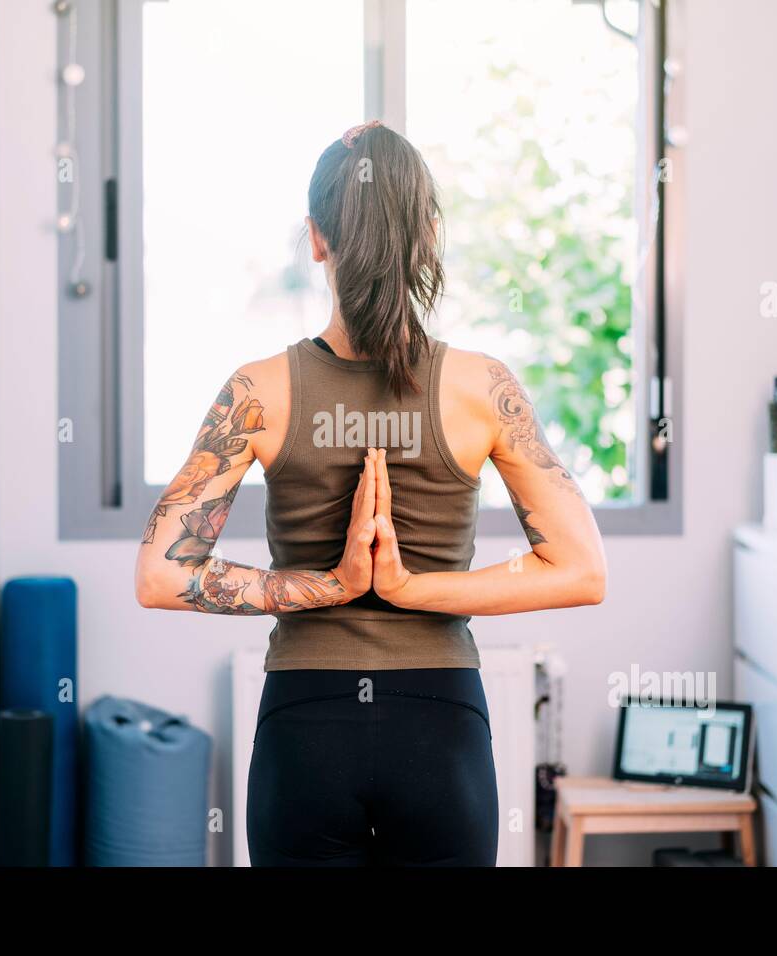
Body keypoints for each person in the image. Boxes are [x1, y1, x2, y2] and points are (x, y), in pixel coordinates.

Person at [135, 120, 607, 866]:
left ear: (317, 238)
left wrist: (326, 587)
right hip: (440, 727)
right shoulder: (482, 388)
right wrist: (416, 590)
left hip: (307, 727)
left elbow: (161, 574)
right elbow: (582, 570)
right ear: (427, 234)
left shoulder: (257, 392)